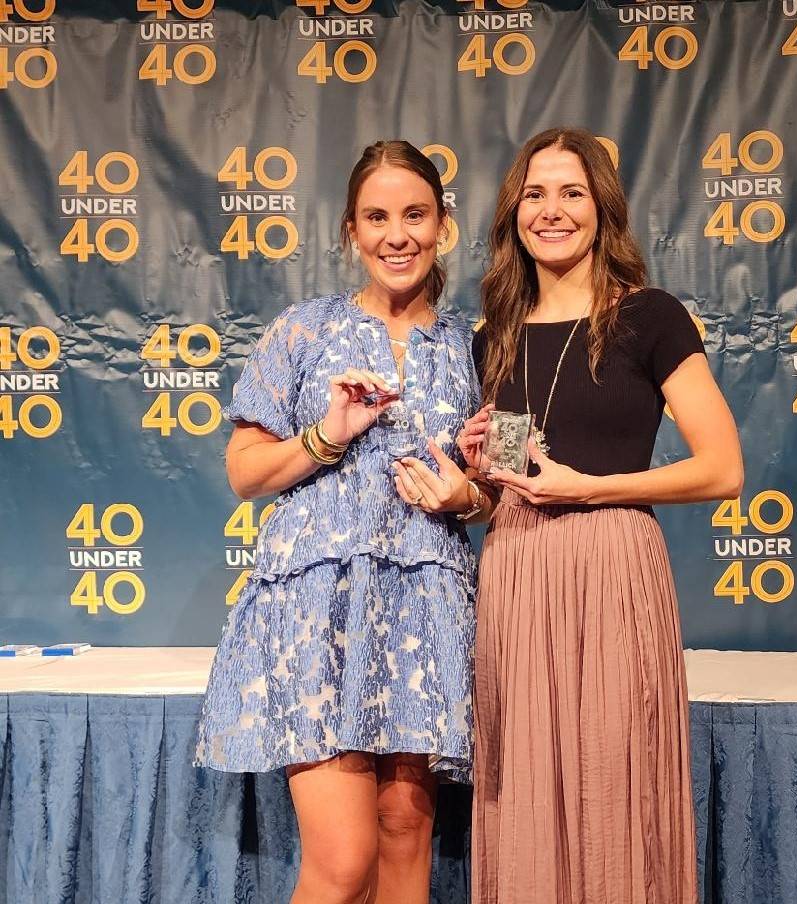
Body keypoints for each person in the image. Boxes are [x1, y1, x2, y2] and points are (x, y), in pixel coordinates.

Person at [195, 140, 490, 904]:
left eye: (415, 214)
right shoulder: (303, 330)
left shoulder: (478, 345)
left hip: (428, 611)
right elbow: (243, 472)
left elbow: (506, 486)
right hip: (315, 608)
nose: (399, 234)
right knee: (346, 858)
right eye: (378, 217)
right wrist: (329, 434)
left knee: (404, 838)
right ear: (352, 233)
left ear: (443, 226)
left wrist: (467, 498)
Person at [456, 127, 744, 903]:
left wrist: (587, 489)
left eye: (572, 193)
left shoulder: (649, 318)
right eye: (535, 194)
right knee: (524, 791)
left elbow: (722, 469)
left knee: (614, 784)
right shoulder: (495, 337)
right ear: (514, 211)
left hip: (614, 563)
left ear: (602, 208)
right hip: (516, 572)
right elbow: (508, 481)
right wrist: (473, 465)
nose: (552, 211)